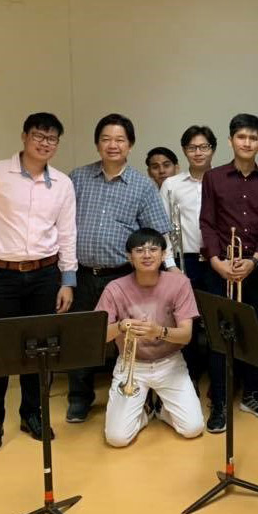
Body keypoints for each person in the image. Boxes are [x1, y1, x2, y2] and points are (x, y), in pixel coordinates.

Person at [0, 112, 77, 452]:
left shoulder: (62, 183)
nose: (45, 143)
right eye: (38, 135)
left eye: (52, 138)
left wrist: (67, 279)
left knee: (40, 348)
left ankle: (32, 413)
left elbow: (67, 234)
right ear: (24, 136)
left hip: (45, 275)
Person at [67, 113, 176, 423]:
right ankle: (79, 398)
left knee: (127, 338)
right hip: (81, 274)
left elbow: (157, 234)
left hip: (122, 276)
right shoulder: (77, 178)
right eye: (106, 139)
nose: (112, 145)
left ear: (130, 145)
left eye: (119, 140)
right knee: (82, 336)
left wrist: (170, 268)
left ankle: (130, 395)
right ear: (97, 144)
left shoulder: (142, 186)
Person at [199, 113, 258, 432]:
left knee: (255, 332)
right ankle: (220, 401)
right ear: (231, 140)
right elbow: (207, 222)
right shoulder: (213, 178)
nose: (247, 142)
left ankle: (252, 394)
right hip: (220, 268)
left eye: (253, 138)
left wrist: (256, 260)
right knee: (220, 335)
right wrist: (216, 261)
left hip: (256, 270)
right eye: (241, 137)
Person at [97, 229, 204, 447]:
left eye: (153, 249)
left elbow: (186, 335)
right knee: (117, 439)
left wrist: (159, 331)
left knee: (193, 428)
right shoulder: (114, 288)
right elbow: (100, 336)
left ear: (163, 255)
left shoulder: (179, 283)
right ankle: (145, 410)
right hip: (131, 364)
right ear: (129, 257)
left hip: (170, 363)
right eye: (139, 250)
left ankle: (162, 409)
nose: (147, 255)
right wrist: (120, 326)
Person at [160, 125, 216, 389]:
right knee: (185, 321)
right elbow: (163, 228)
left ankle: (218, 378)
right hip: (185, 262)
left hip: (217, 261)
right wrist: (170, 265)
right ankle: (189, 374)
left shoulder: (222, 181)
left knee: (215, 321)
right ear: (184, 150)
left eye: (203, 147)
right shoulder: (171, 185)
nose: (198, 152)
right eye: (192, 147)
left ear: (212, 149)